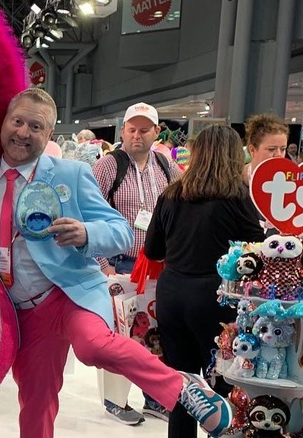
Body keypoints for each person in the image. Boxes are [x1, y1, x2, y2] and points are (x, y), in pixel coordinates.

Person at [0, 87, 232, 438]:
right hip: (23, 310)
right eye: (18, 121)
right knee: (35, 400)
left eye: (36, 126)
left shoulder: (71, 174)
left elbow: (121, 232)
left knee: (93, 345)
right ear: (4, 122)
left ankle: (182, 387)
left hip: (69, 292)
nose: (23, 132)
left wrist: (86, 234)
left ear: (49, 135)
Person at [144, 125, 265, 438]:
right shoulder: (237, 197)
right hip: (216, 299)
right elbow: (257, 252)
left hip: (172, 294)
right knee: (224, 385)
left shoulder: (170, 195)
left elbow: (153, 250)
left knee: (183, 387)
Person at [92, 102, 182, 425]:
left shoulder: (165, 166)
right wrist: (103, 265)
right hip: (118, 263)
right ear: (123, 131)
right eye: (131, 129)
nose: (136, 135)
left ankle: (153, 396)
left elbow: (178, 209)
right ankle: (115, 399)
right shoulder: (108, 166)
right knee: (119, 333)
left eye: (144, 129)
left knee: (151, 331)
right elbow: (88, 214)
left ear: (157, 133)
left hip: (155, 265)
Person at [242, 113, 289, 236]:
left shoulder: (292, 183)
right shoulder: (235, 182)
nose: (279, 154)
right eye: (271, 149)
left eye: (283, 149)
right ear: (252, 150)